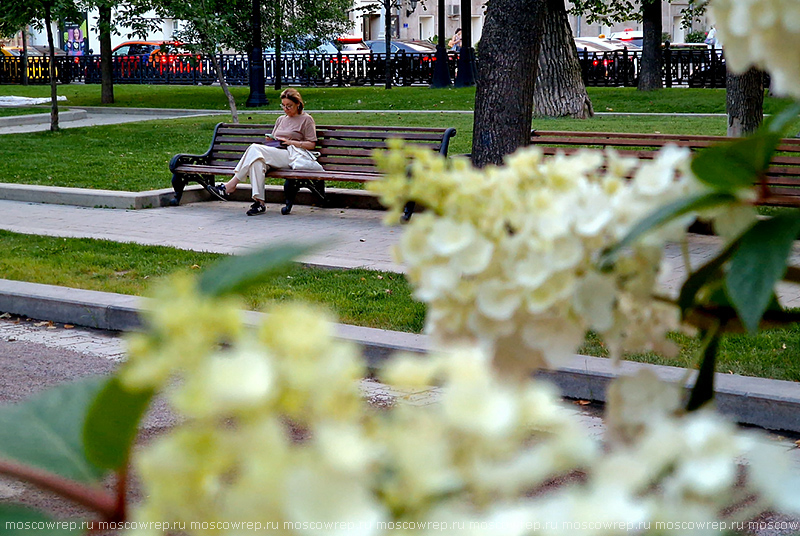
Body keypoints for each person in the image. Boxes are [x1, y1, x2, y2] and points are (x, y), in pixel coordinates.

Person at [209, 88, 319, 216]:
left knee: (255, 148)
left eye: (289, 106)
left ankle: (230, 185)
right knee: (257, 162)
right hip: (275, 153)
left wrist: (291, 142)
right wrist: (271, 140)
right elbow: (273, 139)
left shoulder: (306, 119)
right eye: (283, 106)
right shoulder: (281, 119)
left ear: (298, 104)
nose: (286, 109)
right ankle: (259, 203)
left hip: (291, 155)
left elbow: (311, 144)